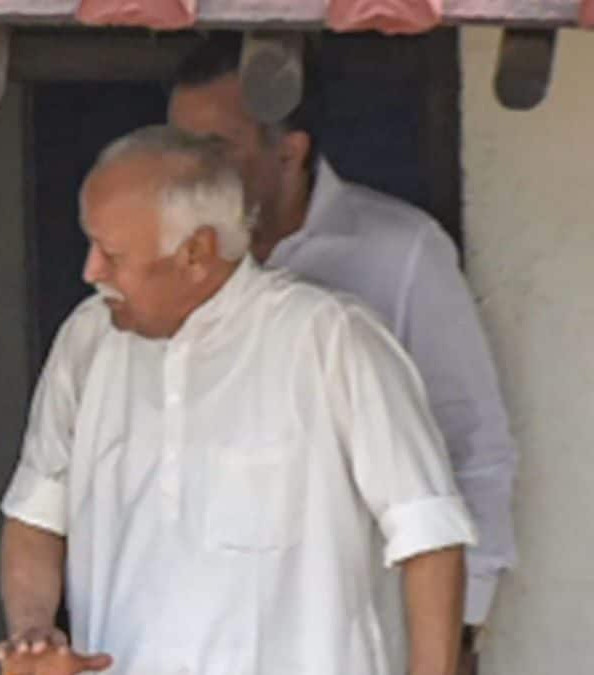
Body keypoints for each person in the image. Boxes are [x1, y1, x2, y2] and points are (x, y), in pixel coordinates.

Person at [0, 126, 476, 675]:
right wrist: (33, 632)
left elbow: (429, 536)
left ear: (196, 253)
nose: (90, 272)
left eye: (111, 254)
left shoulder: (331, 340)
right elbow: (35, 515)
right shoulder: (87, 340)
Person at [165, 33, 517, 670]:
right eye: (177, 147)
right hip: (207, 627)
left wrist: (461, 627)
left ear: (290, 152)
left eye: (213, 150)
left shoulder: (400, 251)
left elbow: (472, 441)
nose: (186, 173)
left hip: (358, 627)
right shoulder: (164, 263)